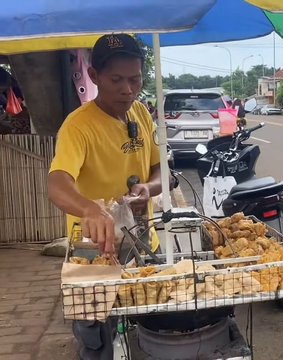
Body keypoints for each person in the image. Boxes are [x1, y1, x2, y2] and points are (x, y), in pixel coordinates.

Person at [48, 34, 175, 359]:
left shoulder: (142, 115)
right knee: (97, 340)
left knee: (152, 328)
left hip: (144, 244)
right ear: (93, 76)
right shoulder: (78, 127)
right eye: (116, 80)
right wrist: (90, 209)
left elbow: (160, 172)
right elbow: (58, 183)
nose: (127, 89)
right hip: (95, 251)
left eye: (135, 80)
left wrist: (148, 188)